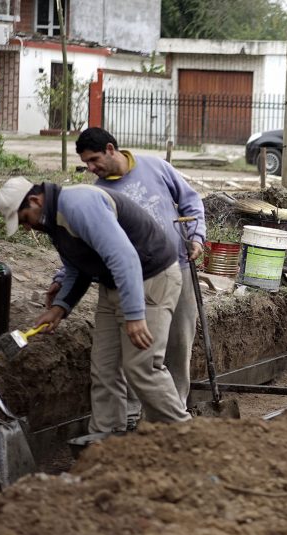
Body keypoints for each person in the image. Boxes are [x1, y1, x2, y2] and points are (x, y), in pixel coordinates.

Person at [0, 177, 191, 432]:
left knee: (141, 367)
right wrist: (60, 307)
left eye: (24, 219)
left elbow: (125, 257)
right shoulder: (54, 221)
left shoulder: (79, 205)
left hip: (150, 279)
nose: (25, 227)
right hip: (114, 285)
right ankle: (105, 441)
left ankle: (185, 435)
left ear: (34, 201)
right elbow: (78, 267)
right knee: (104, 369)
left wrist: (133, 314)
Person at [47, 128, 206, 421]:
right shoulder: (99, 192)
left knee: (178, 343)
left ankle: (174, 410)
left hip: (177, 266)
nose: (91, 168)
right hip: (135, 281)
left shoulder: (155, 166)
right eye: (86, 164)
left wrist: (196, 236)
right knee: (138, 352)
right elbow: (90, 244)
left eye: (94, 160)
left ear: (110, 149)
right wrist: (61, 278)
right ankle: (132, 416)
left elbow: (191, 201)